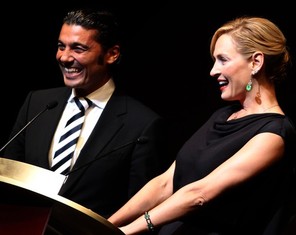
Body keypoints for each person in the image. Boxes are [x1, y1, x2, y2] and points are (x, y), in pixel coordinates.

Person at [107, 16, 296, 235]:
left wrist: (127, 232)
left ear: (256, 62)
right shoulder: (222, 116)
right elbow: (165, 182)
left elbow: (200, 194)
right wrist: (106, 225)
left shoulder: (274, 135)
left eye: (223, 60)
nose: (213, 71)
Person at [2, 8, 171, 219]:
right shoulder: (36, 103)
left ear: (112, 54)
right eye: (60, 46)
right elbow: (8, 176)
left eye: (78, 49)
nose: (64, 57)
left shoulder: (143, 124)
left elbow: (140, 205)